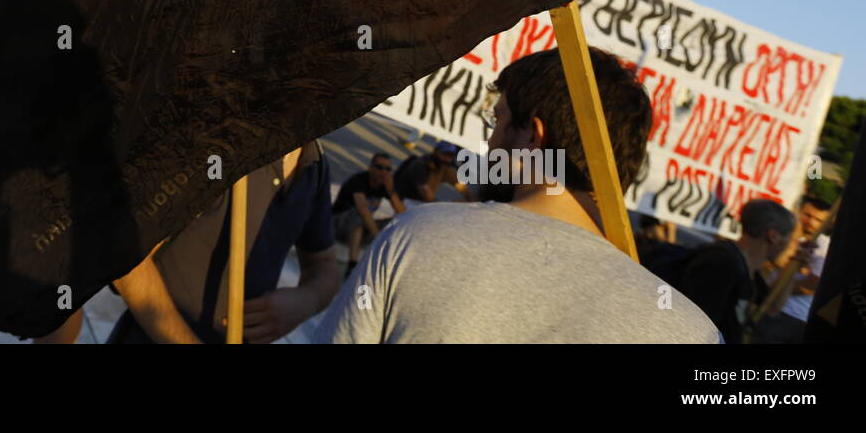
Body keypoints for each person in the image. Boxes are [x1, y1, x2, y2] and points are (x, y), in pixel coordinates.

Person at [315, 47, 721, 343]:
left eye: (499, 119)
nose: (490, 139)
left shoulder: (417, 238)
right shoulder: (690, 332)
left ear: (531, 136)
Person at [45, 142, 339, 344]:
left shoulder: (315, 163)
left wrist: (306, 301)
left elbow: (324, 264)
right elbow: (123, 251)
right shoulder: (214, 142)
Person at [672, 198, 794, 344]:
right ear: (773, 236)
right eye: (789, 238)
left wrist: (794, 264)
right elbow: (694, 324)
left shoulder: (751, 272)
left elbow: (772, 309)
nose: (790, 245)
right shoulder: (722, 262)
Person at [750, 195, 832, 343]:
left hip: (792, 315)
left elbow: (813, 284)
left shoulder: (823, 246)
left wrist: (774, 290)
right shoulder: (787, 235)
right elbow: (769, 261)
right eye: (808, 215)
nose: (811, 223)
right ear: (799, 211)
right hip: (769, 307)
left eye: (819, 220)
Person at [332, 152, 406, 274]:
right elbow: (363, 210)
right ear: (370, 167)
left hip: (359, 229)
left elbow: (403, 213)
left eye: (387, 169)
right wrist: (379, 237)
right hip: (337, 224)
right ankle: (352, 265)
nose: (383, 172)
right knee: (359, 216)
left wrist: (390, 190)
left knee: (396, 222)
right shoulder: (359, 181)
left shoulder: (384, 186)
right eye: (379, 167)